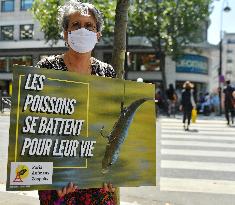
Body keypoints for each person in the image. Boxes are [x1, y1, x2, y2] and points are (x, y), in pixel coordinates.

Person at [36, 1, 116, 204]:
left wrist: (113, 172)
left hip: (96, 179)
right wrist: (54, 179)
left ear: (98, 34)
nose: (83, 30)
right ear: (65, 33)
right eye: (75, 25)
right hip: (59, 178)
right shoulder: (46, 68)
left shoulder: (107, 72)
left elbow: (112, 125)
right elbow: (35, 124)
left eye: (89, 26)